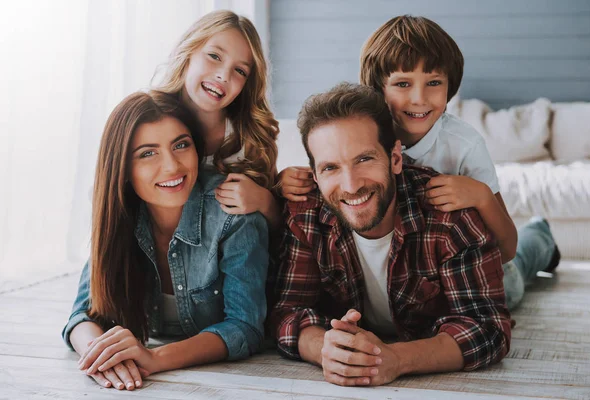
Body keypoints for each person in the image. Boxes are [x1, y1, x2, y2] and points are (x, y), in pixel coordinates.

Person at [278, 15, 560, 309]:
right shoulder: (361, 132)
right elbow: (330, 171)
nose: (419, 98)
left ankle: (541, 235)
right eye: (402, 83)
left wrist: (481, 195)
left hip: (476, 272)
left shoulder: (464, 146)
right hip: (416, 284)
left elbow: (508, 248)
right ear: (378, 88)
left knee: (519, 271)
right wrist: (286, 180)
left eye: (434, 82)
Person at [270, 83, 511, 387]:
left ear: (395, 158)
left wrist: (396, 359)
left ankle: (538, 237)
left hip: (498, 272)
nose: (351, 185)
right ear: (315, 176)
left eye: (364, 159)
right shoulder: (304, 215)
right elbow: (285, 312)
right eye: (331, 167)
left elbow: (489, 328)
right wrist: (324, 350)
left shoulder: (450, 214)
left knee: (520, 271)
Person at [62, 91, 269, 391]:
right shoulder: (118, 215)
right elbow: (80, 316)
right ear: (122, 169)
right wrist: (102, 355)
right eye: (148, 153)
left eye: (181, 145)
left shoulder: (233, 214)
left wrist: (155, 357)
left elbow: (245, 327)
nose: (172, 166)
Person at [153, 10, 281, 229]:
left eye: (239, 70)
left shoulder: (251, 138)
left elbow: (278, 232)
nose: (223, 75)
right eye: (214, 56)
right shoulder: (148, 119)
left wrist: (264, 201)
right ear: (189, 51)